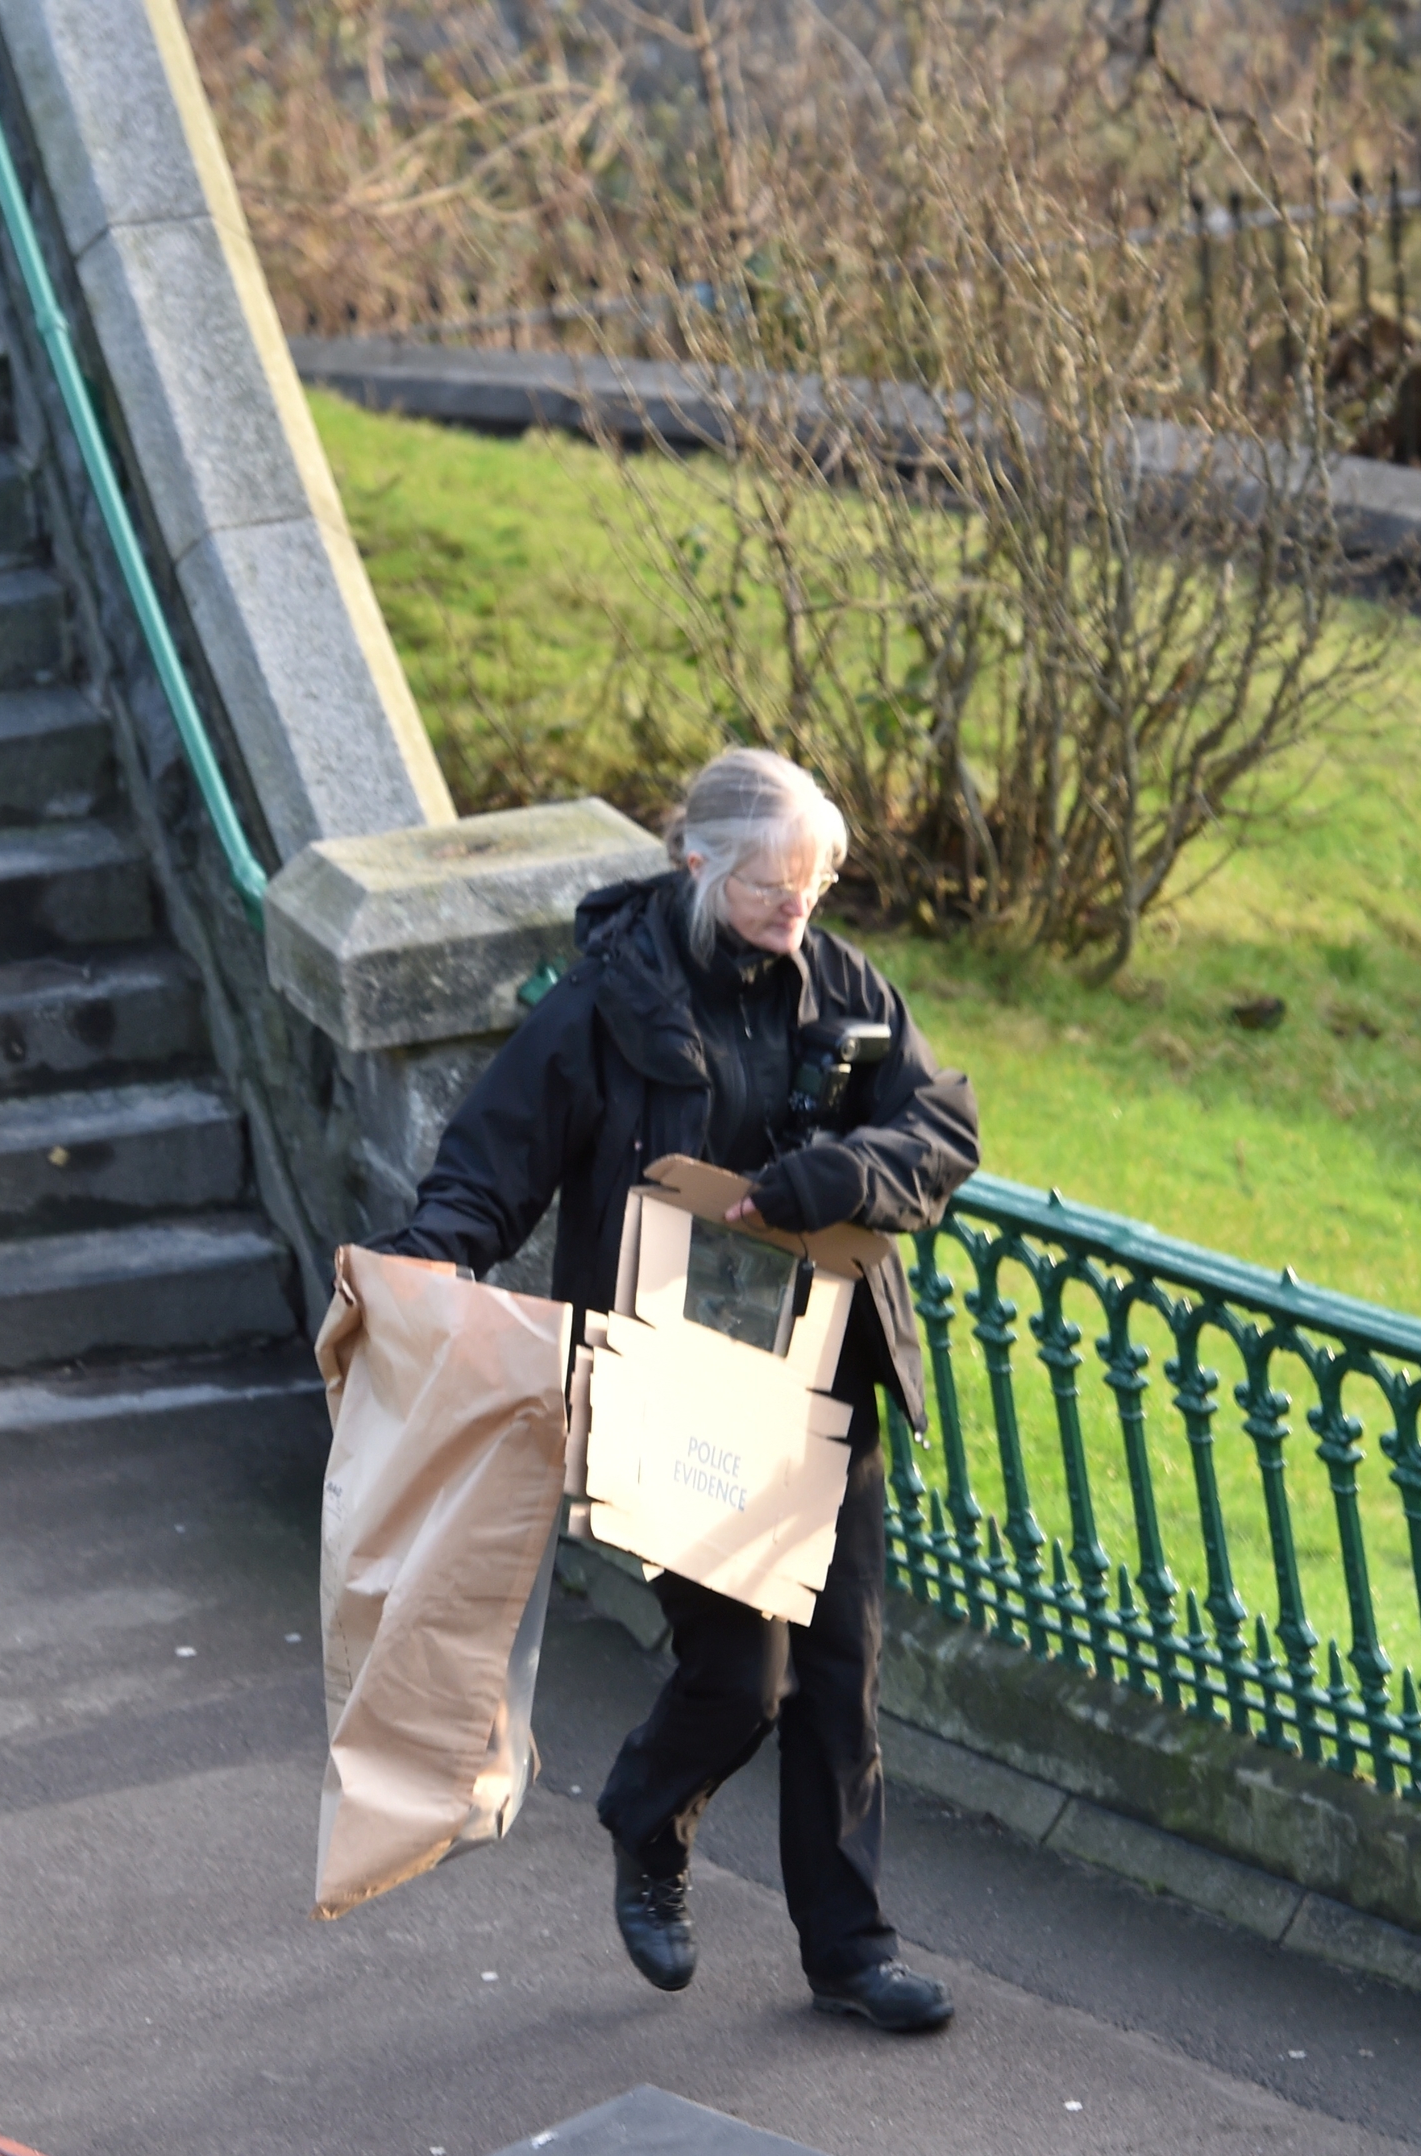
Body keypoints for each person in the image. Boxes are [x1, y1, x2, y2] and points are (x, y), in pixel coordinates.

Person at [375, 746, 981, 2034]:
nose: (796, 912)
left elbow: (941, 1130)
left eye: (814, 886)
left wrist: (831, 1179)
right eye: (772, 887)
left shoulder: (843, 983)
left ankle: (850, 1953)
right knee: (739, 1679)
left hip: (826, 1374)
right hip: (673, 1386)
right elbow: (488, 1167)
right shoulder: (600, 1007)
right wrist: (419, 1285)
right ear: (695, 863)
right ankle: (645, 1818)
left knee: (838, 1680)